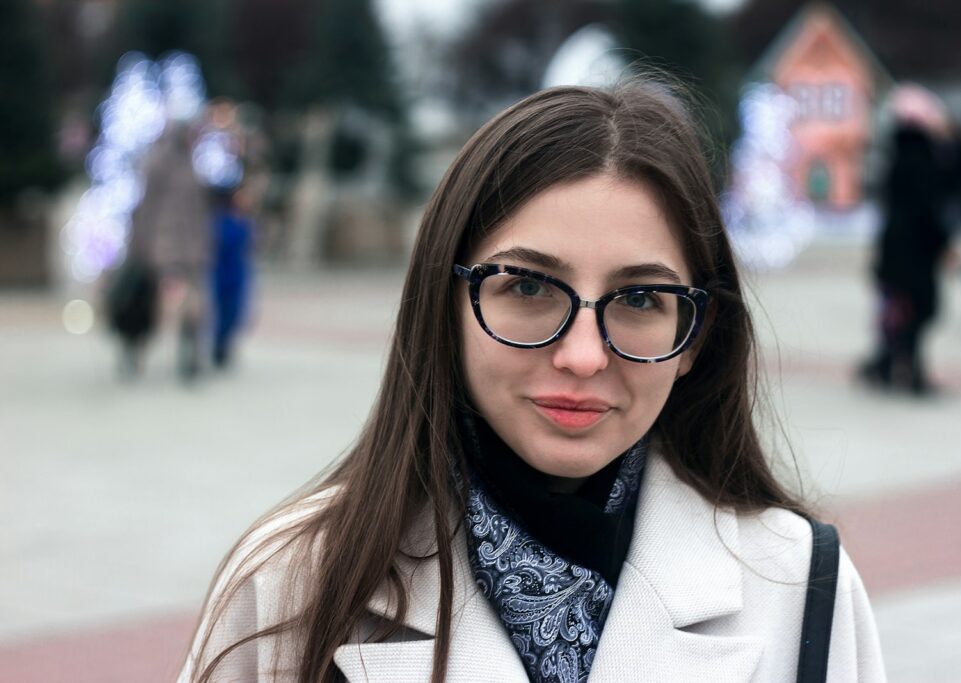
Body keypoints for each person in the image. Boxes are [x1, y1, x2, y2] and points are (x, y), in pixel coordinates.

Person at [180, 79, 885, 682]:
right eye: (526, 286)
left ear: (693, 336)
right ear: (443, 306)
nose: (582, 356)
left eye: (640, 299)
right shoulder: (291, 584)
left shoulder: (800, 586)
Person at [860, 85, 959, 395]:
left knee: (898, 310)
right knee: (920, 310)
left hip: (894, 250)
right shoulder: (924, 159)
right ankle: (905, 371)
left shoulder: (896, 155)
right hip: (915, 253)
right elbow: (927, 210)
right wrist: (944, 244)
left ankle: (887, 365)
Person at [128, 122, 212, 381]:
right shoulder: (157, 164)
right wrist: (138, 246)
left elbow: (199, 212)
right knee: (148, 303)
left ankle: (190, 354)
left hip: (190, 248)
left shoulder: (191, 165)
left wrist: (204, 244)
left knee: (193, 302)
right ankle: (135, 349)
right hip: (160, 247)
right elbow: (145, 207)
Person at [210, 186, 254, 369]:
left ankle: (224, 346)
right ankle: (217, 346)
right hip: (220, 272)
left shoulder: (243, 222)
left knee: (233, 312)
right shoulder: (219, 222)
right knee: (219, 311)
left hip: (237, 272)